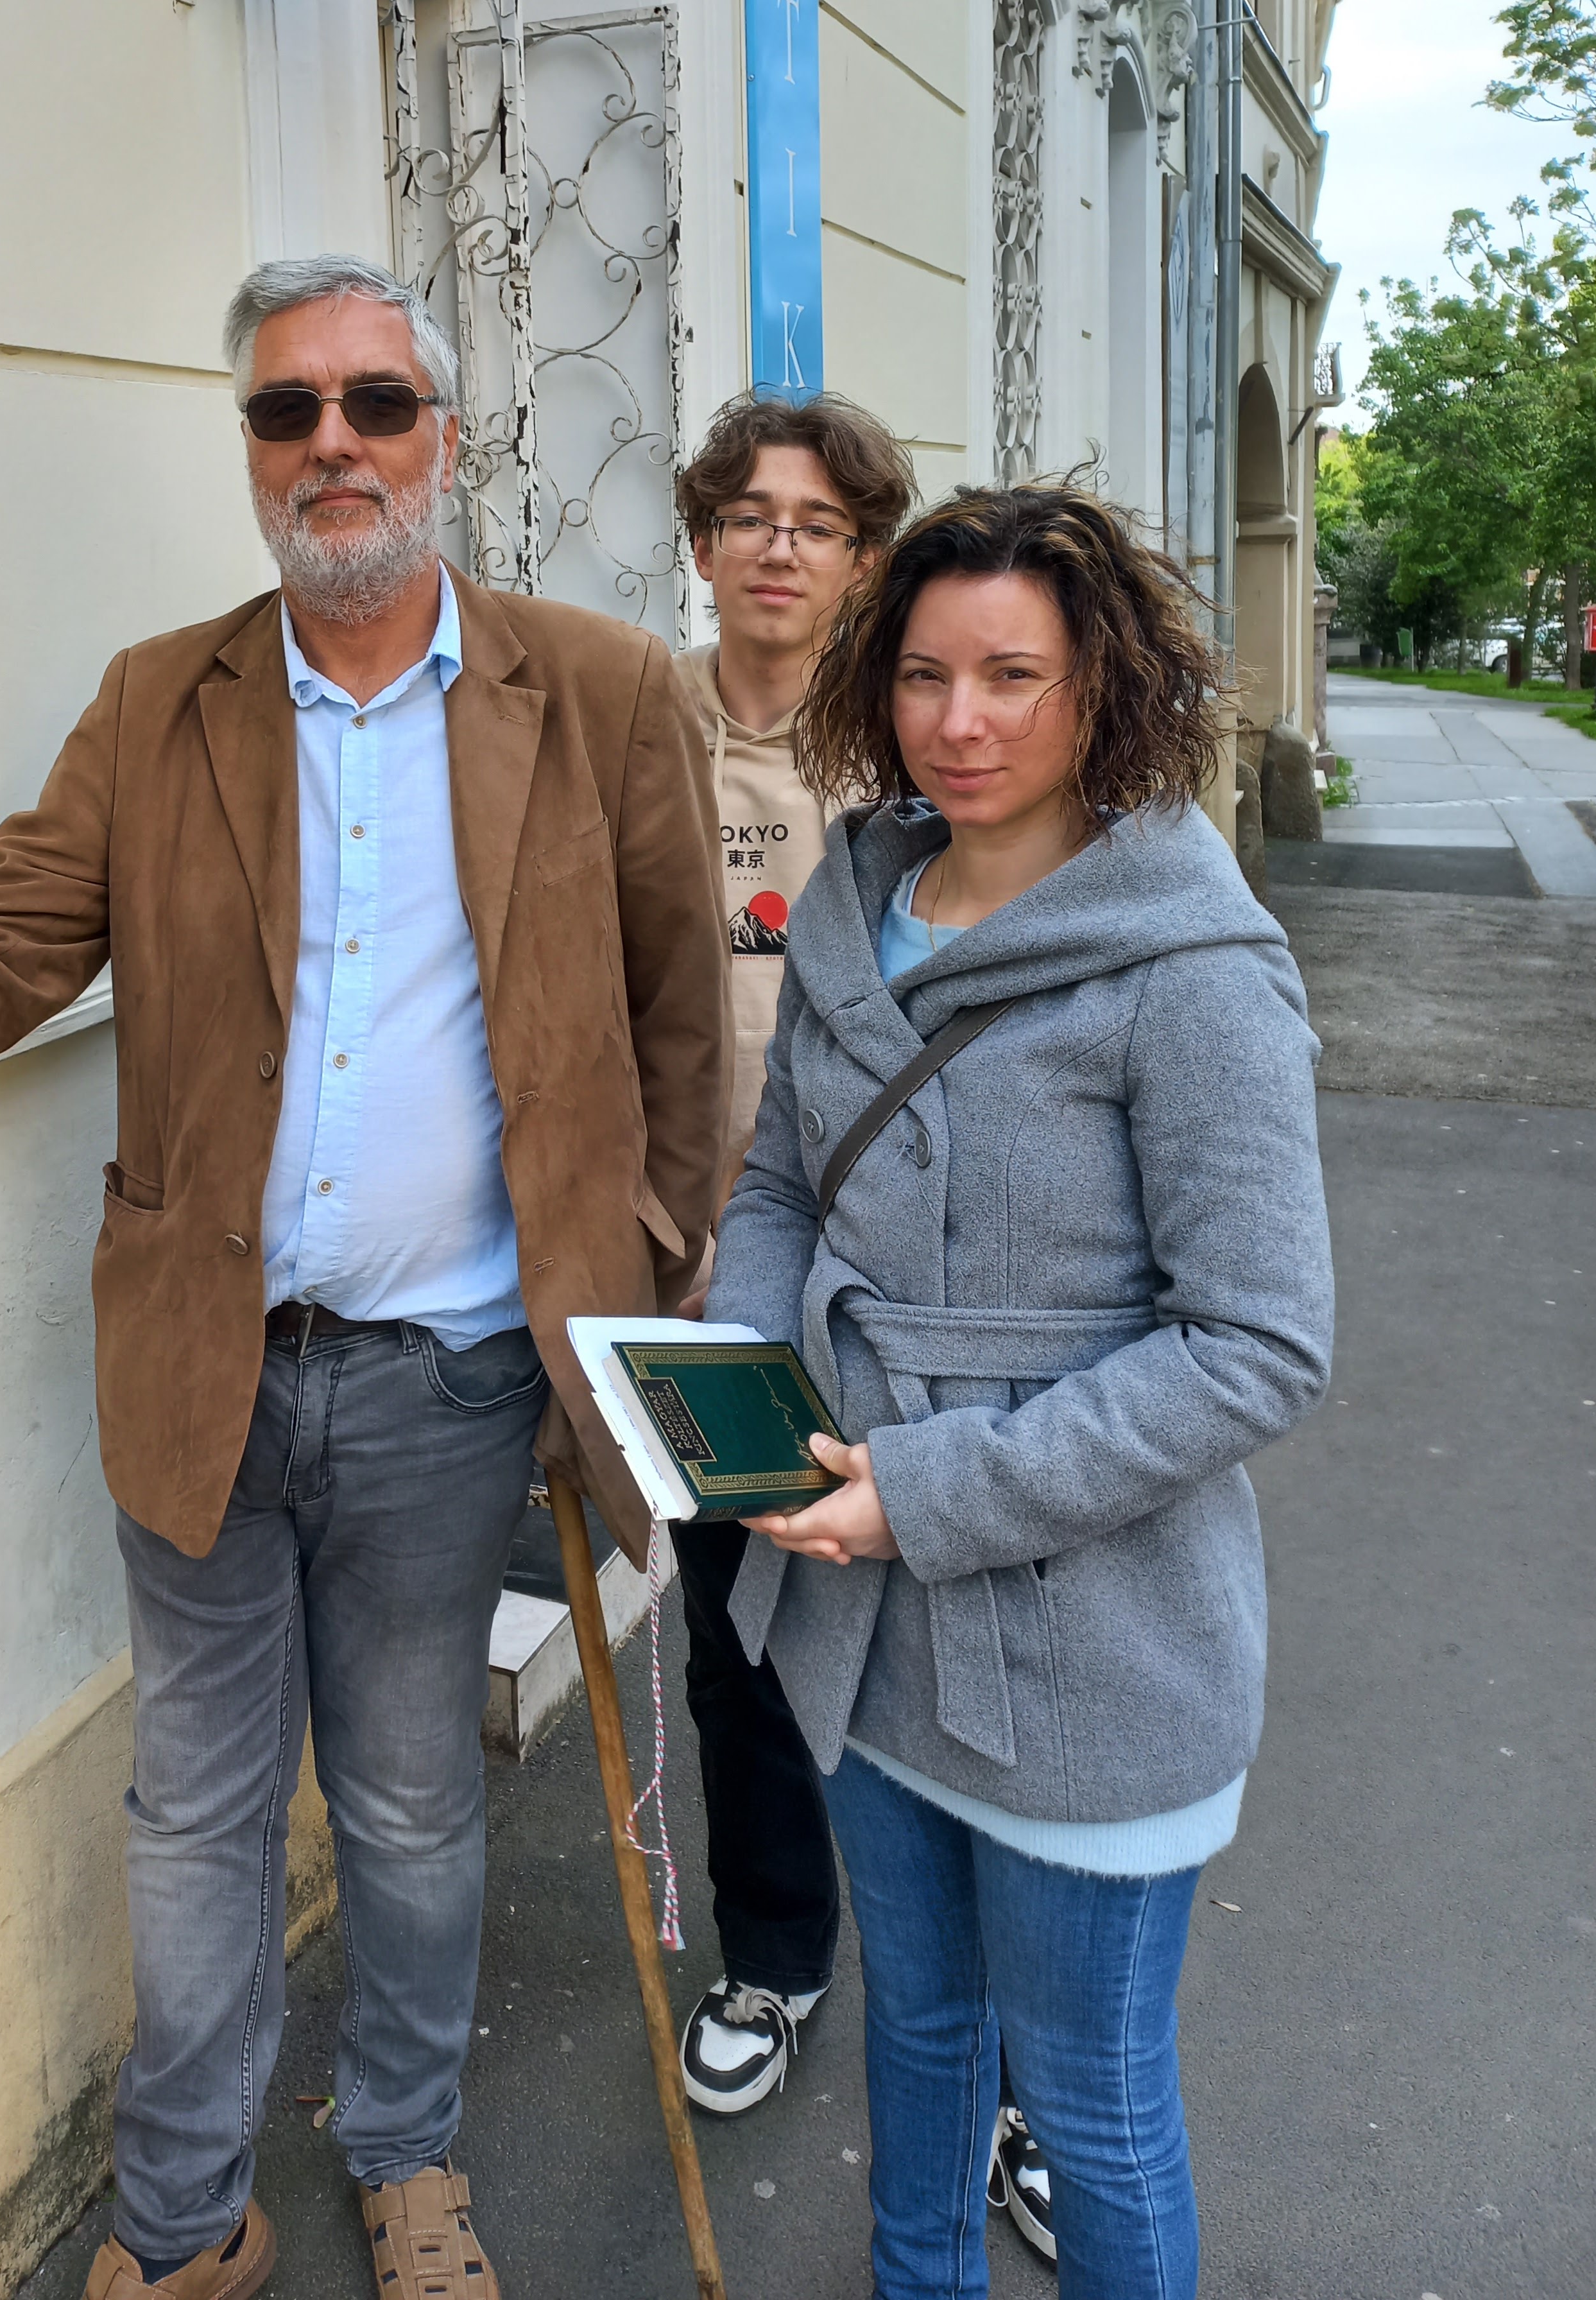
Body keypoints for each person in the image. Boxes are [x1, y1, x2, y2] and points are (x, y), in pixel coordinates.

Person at [0, 254, 729, 2300]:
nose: (331, 443)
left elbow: (680, 1039)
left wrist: (629, 1331)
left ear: (444, 437)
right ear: (250, 452)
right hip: (203, 1373)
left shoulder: (601, 691)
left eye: (372, 403)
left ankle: (409, 2161)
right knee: (194, 1818)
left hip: (451, 1384)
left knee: (412, 1810)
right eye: (285, 411)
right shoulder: (162, 701)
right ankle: (181, 2224)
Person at [712, 483, 1332, 2298]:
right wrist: (741, 1398)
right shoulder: (854, 901)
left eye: (1011, 677)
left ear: (1101, 689)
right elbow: (777, 1183)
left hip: (1092, 1647)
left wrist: (923, 1494)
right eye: (922, 675)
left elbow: (1258, 1344)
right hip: (861, 1624)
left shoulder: (1192, 968)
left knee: (1088, 2098)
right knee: (917, 2038)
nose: (958, 721)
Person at [666, 393, 914, 2116]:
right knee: (738, 1635)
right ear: (701, 542)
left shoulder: (909, 749)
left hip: (895, 1282)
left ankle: (1003, 2045)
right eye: (750, 515)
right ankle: (772, 1953)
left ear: (863, 560)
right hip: (700, 1283)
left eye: (818, 523)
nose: (779, 546)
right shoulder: (631, 730)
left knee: (936, 1656)